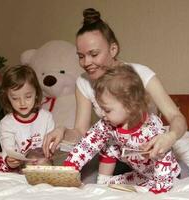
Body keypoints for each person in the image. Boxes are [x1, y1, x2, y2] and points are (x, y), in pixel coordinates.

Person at [43, 7, 188, 179]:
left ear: (113, 49)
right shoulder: (83, 82)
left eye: (94, 54)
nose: (86, 62)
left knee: (181, 179)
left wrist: (169, 137)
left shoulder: (140, 74)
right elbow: (82, 133)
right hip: (114, 155)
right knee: (86, 183)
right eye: (81, 56)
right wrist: (63, 131)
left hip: (149, 154)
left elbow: (177, 118)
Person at [64, 64, 181, 194]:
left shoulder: (150, 129)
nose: (102, 113)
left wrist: (159, 189)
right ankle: (102, 182)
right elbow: (87, 143)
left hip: (163, 176)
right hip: (140, 173)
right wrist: (70, 167)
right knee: (108, 146)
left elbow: (163, 159)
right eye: (101, 108)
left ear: (130, 107)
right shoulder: (107, 123)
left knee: (153, 177)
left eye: (107, 110)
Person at [0, 65, 55, 172]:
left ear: (36, 93)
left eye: (28, 96)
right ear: (7, 97)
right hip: (20, 165)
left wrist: (46, 157)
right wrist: (9, 160)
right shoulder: (7, 123)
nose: (22, 103)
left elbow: (52, 146)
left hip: (43, 162)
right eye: (15, 98)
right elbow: (7, 148)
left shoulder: (46, 117)